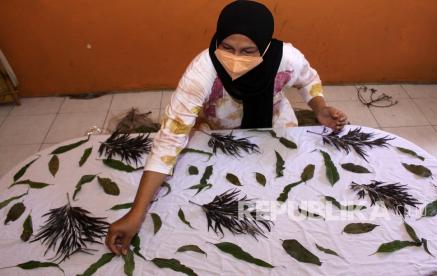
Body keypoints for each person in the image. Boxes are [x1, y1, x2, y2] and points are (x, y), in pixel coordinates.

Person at [105, 0, 347, 255]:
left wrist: (319, 108)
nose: (235, 59)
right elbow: (169, 139)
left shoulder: (286, 58)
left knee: (284, 202)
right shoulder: (203, 70)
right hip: (219, 136)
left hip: (274, 130)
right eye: (227, 47)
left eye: (248, 51)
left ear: (265, 46)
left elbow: (309, 80)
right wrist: (137, 213)